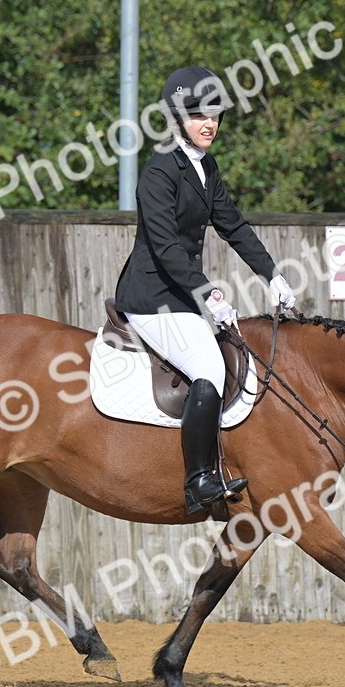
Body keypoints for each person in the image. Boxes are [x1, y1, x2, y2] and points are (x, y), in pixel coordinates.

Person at [114, 66, 297, 515]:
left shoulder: (205, 167)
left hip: (180, 297)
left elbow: (232, 225)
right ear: (177, 120)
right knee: (209, 369)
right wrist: (209, 294)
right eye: (198, 115)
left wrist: (271, 274)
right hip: (151, 298)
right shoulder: (159, 173)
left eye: (214, 114)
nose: (209, 123)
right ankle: (197, 480)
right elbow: (166, 245)